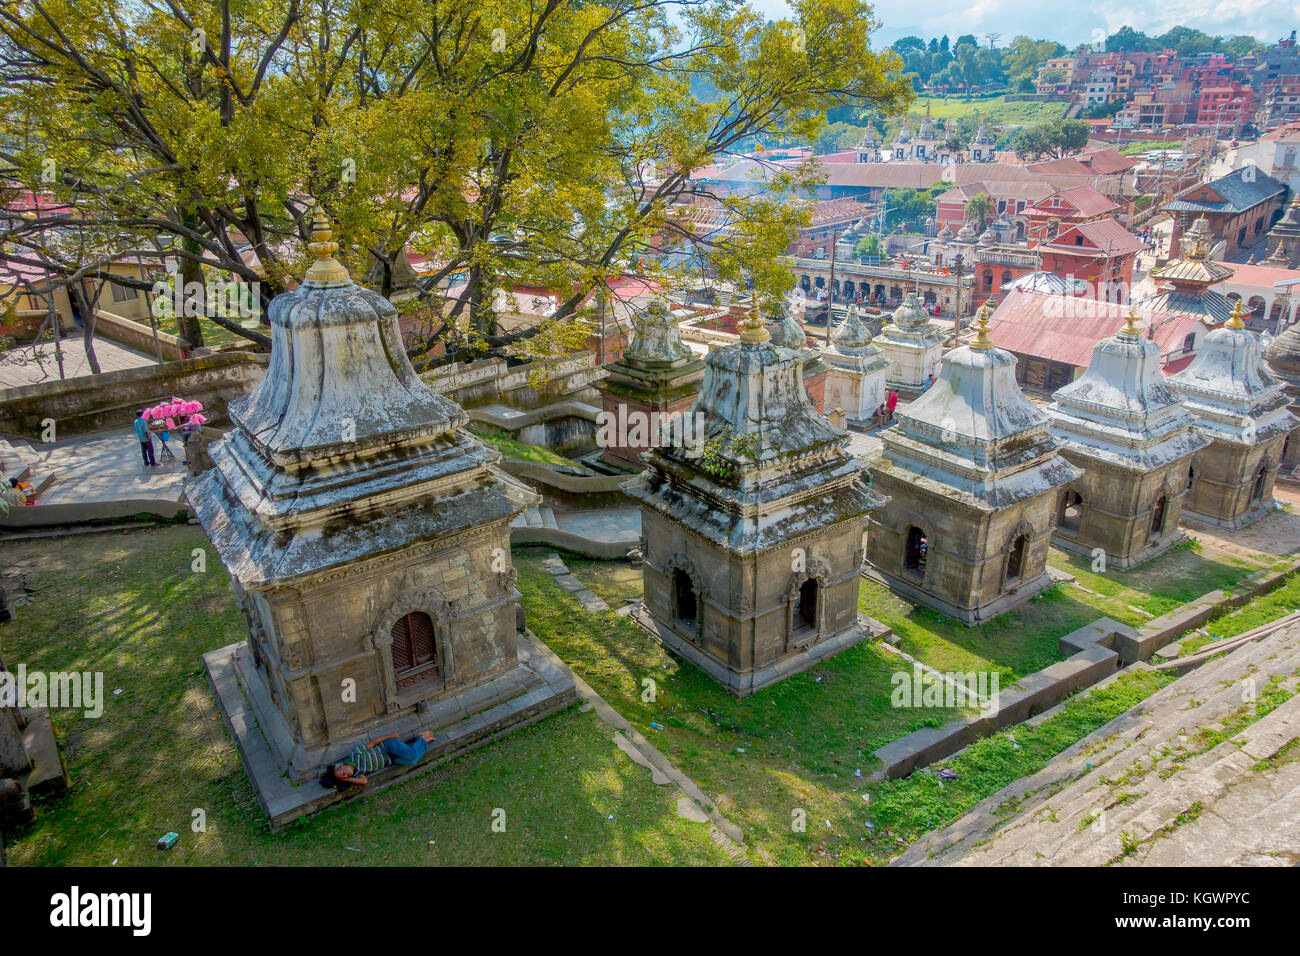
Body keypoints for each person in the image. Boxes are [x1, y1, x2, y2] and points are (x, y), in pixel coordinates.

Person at [325, 730, 437, 788]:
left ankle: (422, 737)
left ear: (342, 766)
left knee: (412, 754)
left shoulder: (355, 754)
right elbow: (364, 781)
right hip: (391, 760)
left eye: (342, 773)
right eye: (344, 777)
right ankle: (423, 742)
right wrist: (346, 780)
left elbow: (372, 743)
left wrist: (390, 736)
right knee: (413, 760)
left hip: (388, 747)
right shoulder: (357, 774)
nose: (345, 775)